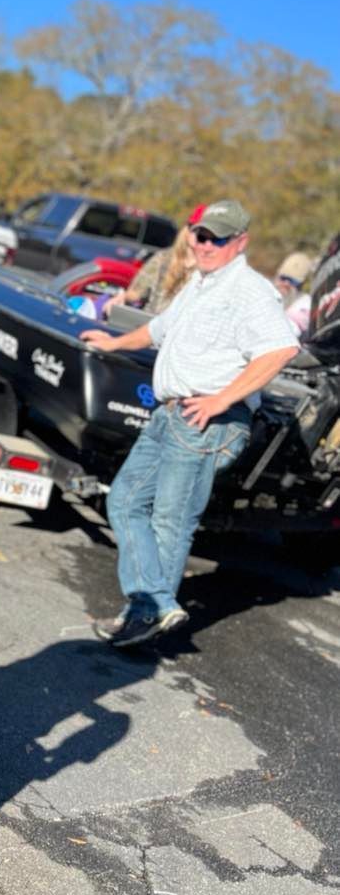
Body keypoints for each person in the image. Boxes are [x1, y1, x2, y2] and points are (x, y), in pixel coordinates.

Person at [81, 200, 298, 647]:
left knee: (170, 521)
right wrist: (114, 342)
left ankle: (147, 616)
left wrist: (222, 399)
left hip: (207, 420)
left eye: (216, 237)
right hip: (172, 414)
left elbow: (281, 349)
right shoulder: (201, 284)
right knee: (123, 499)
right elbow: (157, 331)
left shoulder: (250, 291)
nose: (204, 244)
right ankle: (154, 605)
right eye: (199, 234)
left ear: (241, 242)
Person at [123, 218, 196, 312]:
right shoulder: (163, 258)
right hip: (150, 321)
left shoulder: (211, 269)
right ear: (187, 231)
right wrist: (120, 298)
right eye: (196, 230)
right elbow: (135, 293)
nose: (202, 238)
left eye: (211, 237)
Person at [274, 250, 315, 336]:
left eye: (292, 281)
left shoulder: (305, 306)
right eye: (283, 278)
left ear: (302, 285)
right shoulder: (266, 294)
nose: (286, 283)